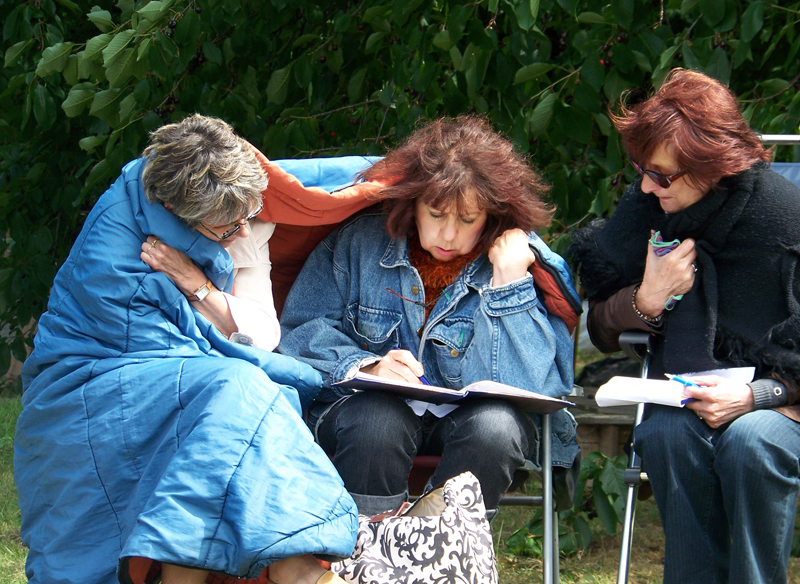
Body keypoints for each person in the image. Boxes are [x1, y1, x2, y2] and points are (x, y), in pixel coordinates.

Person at [14, 115, 357, 584]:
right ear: (175, 211)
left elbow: (328, 182)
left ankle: (280, 567)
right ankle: (296, 569)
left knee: (235, 399)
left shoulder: (226, 201)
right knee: (236, 390)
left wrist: (198, 286)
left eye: (247, 218)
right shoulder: (120, 237)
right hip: (87, 381)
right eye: (227, 229)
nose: (242, 234)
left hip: (179, 372)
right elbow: (145, 336)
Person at [278, 115, 580, 517]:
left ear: (492, 215)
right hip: (367, 416)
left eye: (468, 220)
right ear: (412, 204)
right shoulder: (360, 242)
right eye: (436, 214)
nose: (449, 235)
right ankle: (371, 547)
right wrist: (367, 366)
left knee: (496, 428)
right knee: (378, 420)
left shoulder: (518, 261)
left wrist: (509, 284)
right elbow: (300, 329)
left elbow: (530, 389)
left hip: (468, 426)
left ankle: (441, 547)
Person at [569, 69, 800, 584]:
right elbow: (602, 327)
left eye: (663, 176)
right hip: (687, 398)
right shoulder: (647, 210)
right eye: (642, 170)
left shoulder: (785, 224)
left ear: (712, 167)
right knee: (667, 434)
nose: (646, 186)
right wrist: (646, 299)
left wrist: (758, 396)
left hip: (784, 402)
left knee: (752, 442)